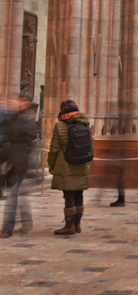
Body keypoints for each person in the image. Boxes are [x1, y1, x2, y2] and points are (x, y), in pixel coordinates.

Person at [47, 100, 93, 235]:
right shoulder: (85, 124)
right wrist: (86, 161)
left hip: (66, 165)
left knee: (68, 194)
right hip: (82, 164)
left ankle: (69, 225)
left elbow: (54, 148)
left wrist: (51, 163)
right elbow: (90, 145)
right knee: (79, 193)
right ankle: (77, 224)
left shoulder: (60, 125)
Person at [0, 95, 37, 238]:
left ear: (25, 104)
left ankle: (7, 228)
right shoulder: (12, 118)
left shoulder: (27, 121)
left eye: (19, 101)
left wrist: (24, 163)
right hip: (10, 161)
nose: (15, 103)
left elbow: (27, 143)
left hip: (20, 163)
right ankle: (27, 221)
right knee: (19, 193)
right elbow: (6, 139)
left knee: (13, 195)